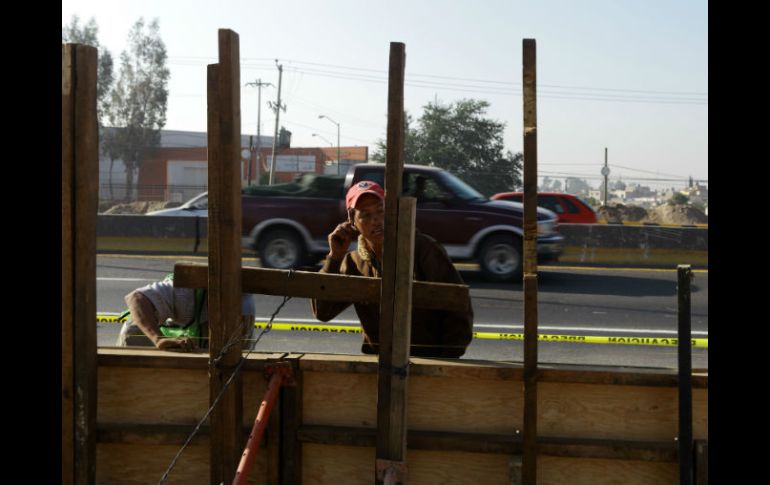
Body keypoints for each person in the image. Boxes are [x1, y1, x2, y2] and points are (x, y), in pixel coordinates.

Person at [311, 180, 474, 358]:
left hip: (425, 363)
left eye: (380, 211)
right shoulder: (353, 262)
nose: (376, 220)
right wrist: (334, 258)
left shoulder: (422, 249)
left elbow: (459, 308)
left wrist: (443, 361)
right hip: (378, 365)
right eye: (365, 215)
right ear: (352, 221)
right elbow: (323, 312)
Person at [116, 276, 257, 352]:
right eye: (225, 321)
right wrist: (158, 339)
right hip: (141, 333)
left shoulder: (244, 315)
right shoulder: (186, 293)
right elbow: (135, 298)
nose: (230, 326)